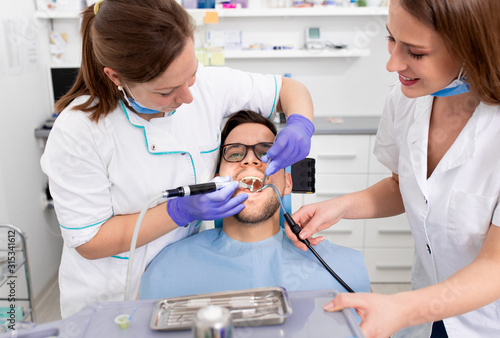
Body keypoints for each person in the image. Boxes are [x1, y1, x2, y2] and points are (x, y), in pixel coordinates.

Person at [40, 0, 315, 318]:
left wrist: (301, 124)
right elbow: (90, 240)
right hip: (113, 298)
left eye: (192, 75)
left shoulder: (209, 88)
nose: (187, 98)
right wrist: (179, 212)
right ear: (116, 77)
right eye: (166, 91)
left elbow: (289, 89)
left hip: (185, 282)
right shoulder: (79, 131)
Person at [289, 0, 500, 337]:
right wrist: (339, 207)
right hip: (430, 309)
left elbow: (496, 266)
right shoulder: (406, 99)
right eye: (391, 39)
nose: (392, 63)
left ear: (472, 49)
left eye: (415, 53)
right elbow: (402, 186)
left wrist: (401, 307)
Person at [139, 110, 370, 299]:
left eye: (267, 153)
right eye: (235, 153)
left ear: (287, 183)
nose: (251, 160)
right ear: (215, 180)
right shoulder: (167, 270)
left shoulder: (344, 270)